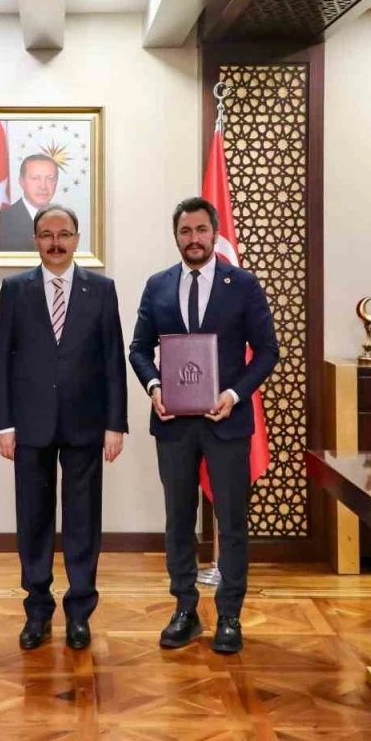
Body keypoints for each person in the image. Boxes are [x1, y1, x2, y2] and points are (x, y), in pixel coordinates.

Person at [128, 197, 278, 654]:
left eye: (200, 230)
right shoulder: (157, 285)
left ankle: (229, 614)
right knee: (178, 520)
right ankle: (184, 610)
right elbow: (138, 348)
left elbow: (267, 351)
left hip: (226, 421)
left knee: (231, 521)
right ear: (176, 236)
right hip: (174, 423)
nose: (193, 239)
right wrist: (154, 386)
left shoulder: (243, 284)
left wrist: (234, 394)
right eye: (185, 231)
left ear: (214, 233)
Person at [0, 204, 127, 651]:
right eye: (47, 234)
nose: (55, 242)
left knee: (83, 520)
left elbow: (113, 361)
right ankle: (37, 610)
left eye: (64, 234)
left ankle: (80, 612)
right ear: (35, 240)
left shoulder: (101, 290)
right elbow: (1, 362)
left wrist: (115, 424)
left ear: (77, 238)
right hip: (29, 424)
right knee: (33, 519)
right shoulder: (15, 289)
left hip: (87, 423)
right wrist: (3, 423)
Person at [0, 154, 59, 253]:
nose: (43, 186)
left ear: (56, 182)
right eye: (35, 178)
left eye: (50, 178)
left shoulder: (64, 221)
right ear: (22, 182)